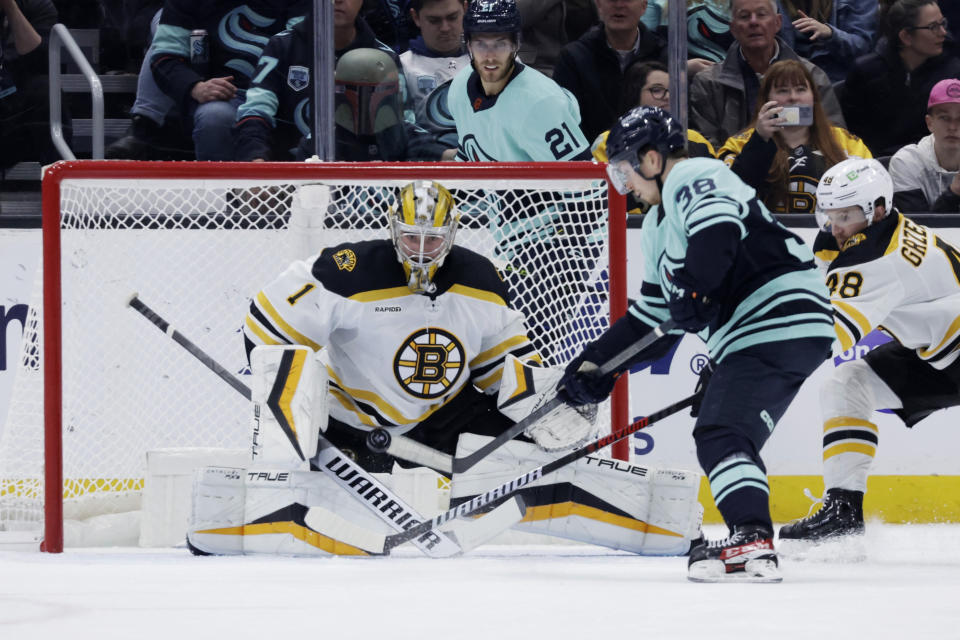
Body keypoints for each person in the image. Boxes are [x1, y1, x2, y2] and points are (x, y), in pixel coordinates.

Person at [187, 180, 703, 557]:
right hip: (350, 423)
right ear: (393, 230)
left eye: (432, 240)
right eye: (411, 238)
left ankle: (661, 520)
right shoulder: (344, 270)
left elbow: (503, 368)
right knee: (287, 366)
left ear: (452, 234)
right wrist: (297, 418)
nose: (421, 250)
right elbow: (266, 329)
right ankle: (261, 503)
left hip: (444, 418)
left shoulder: (482, 280)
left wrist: (544, 404)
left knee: (528, 457)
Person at [558, 105, 835, 582]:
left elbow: (718, 235)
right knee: (723, 433)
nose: (623, 186)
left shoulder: (692, 175)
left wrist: (695, 288)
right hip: (764, 331)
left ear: (650, 160)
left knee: (722, 433)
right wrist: (594, 368)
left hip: (776, 315)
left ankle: (751, 541)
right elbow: (651, 323)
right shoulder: (656, 229)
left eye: (623, 171)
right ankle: (751, 540)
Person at [778, 158, 960, 546]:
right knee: (847, 383)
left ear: (878, 208)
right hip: (937, 352)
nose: (835, 225)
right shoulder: (860, 233)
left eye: (845, 214)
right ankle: (843, 510)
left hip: (950, 349)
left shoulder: (876, 257)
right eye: (829, 214)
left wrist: (746, 368)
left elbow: (822, 338)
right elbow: (816, 299)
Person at [234, 2, 445, 161]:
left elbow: (403, 126)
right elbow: (255, 112)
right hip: (290, 175)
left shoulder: (384, 57)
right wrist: (256, 163)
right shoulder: (281, 46)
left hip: (368, 177)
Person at [147, 0, 309, 160]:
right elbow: (165, 58)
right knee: (214, 117)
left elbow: (303, 47)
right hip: (227, 97)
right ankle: (217, 185)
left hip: (284, 96)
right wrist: (196, 87)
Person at [718, 59, 871, 214]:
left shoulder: (847, 143)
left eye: (801, 89)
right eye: (783, 90)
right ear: (766, 99)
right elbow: (726, 198)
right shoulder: (738, 144)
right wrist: (759, 141)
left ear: (814, 97)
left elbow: (869, 192)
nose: (793, 97)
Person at [447, 0, 591, 161]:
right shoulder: (459, 87)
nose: (490, 56)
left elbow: (586, 182)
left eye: (500, 44)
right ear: (468, 45)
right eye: (480, 44)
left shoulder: (542, 104)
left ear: (516, 44)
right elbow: (467, 156)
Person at [552, 0, 714, 143]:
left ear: (644, 6)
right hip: (594, 163)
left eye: (627, 0)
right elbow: (566, 123)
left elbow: (680, 121)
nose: (619, 5)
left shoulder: (665, 56)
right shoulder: (574, 58)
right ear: (599, 5)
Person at [689, 0, 844, 149]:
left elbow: (835, 139)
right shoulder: (708, 83)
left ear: (778, 23)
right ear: (733, 28)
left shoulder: (812, 77)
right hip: (734, 170)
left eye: (762, 14)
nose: (754, 22)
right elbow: (707, 150)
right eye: (744, 16)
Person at [590, 61, 715, 214]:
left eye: (673, 90)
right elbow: (606, 204)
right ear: (634, 94)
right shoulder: (608, 142)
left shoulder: (696, 139)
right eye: (657, 90)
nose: (668, 97)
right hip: (632, 233)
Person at [841, 0, 960, 157]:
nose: (943, 32)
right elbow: (854, 136)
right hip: (875, 165)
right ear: (906, 37)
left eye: (942, 23)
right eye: (933, 27)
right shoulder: (866, 72)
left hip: (934, 161)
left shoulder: (952, 72)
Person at [398, 0, 469, 153]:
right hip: (428, 166)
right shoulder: (401, 67)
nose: (445, 28)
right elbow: (400, 130)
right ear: (416, 17)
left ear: (465, 9)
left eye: (452, 17)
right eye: (434, 20)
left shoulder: (498, 60)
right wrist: (438, 155)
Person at [0, 0, 63, 170]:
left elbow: (40, 60)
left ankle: (61, 184)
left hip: (14, 115)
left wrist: (10, 7)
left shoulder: (38, 6)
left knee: (47, 91)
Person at [889, 78, 960, 212]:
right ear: (930, 123)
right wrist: (954, 193)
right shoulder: (906, 163)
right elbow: (916, 227)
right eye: (944, 118)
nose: (953, 127)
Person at [776, 0, 878, 83]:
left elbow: (863, 48)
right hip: (788, 79)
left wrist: (830, 34)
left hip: (838, 81)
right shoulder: (775, 4)